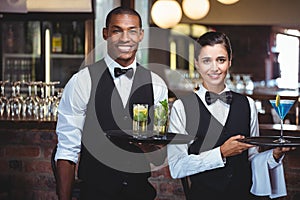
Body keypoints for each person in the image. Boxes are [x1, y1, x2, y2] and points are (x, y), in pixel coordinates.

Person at [54, 6, 168, 200]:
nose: (125, 38)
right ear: (105, 34)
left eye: (132, 31)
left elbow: (159, 152)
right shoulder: (82, 81)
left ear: (141, 35)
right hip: (95, 192)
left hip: (140, 192)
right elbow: (67, 150)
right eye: (117, 30)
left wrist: (151, 148)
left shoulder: (156, 84)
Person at [167, 31, 294, 200]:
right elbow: (177, 167)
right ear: (196, 63)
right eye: (206, 61)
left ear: (229, 62)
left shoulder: (247, 104)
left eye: (221, 60)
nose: (214, 68)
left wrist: (274, 155)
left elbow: (252, 158)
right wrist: (221, 153)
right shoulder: (181, 107)